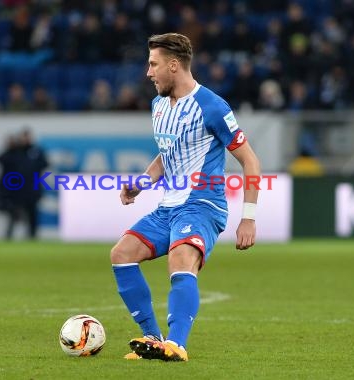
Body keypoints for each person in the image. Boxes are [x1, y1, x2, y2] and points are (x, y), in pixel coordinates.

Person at [110, 33, 261, 362]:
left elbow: (250, 161)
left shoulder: (213, 107)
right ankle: (153, 338)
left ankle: (176, 345)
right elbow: (168, 153)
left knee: (179, 260)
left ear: (174, 66)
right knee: (122, 254)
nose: (148, 73)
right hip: (168, 206)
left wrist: (247, 217)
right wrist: (141, 183)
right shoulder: (159, 105)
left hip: (203, 205)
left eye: (153, 64)